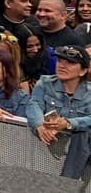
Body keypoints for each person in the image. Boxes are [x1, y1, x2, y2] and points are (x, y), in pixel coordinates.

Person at [27, 44, 91, 178]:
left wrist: (69, 123)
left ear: (83, 71)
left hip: (80, 161)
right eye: (60, 61)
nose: (62, 65)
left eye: (70, 63)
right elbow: (34, 104)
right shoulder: (44, 83)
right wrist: (39, 125)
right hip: (43, 155)